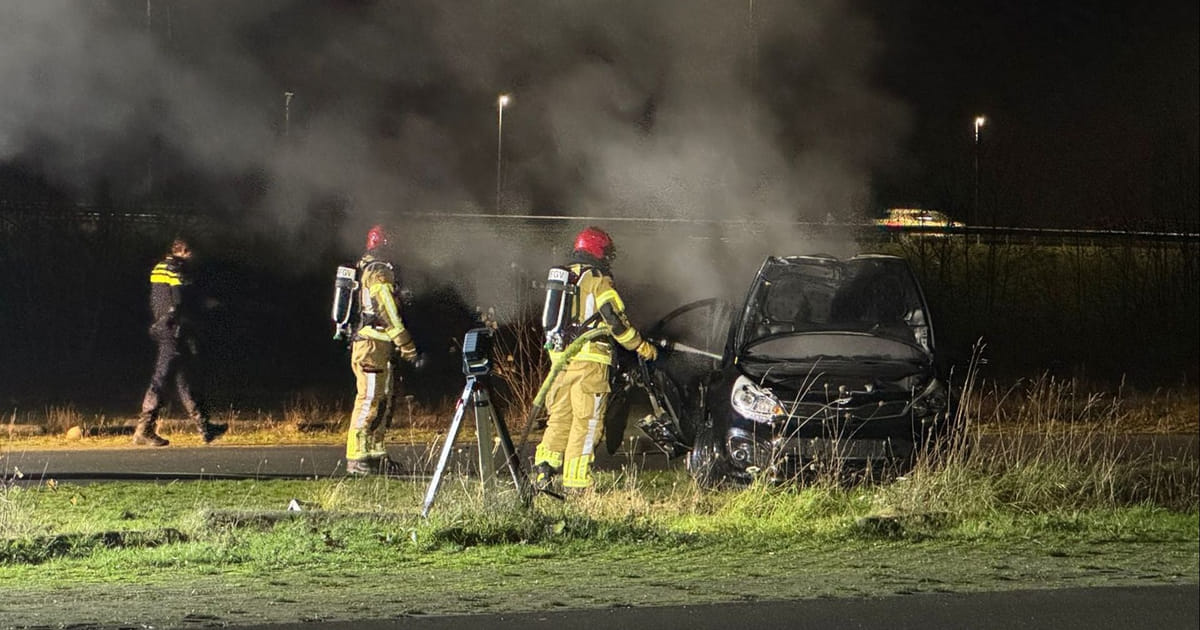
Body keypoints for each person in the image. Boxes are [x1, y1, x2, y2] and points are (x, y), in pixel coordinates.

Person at [533, 226, 658, 492]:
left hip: (560, 362)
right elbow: (615, 321)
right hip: (589, 363)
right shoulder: (598, 280)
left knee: (559, 417)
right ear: (598, 251)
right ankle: (577, 481)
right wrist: (641, 346)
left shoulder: (566, 277)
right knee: (587, 420)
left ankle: (544, 471)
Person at [133, 237, 227, 447]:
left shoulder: (159, 268)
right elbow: (179, 300)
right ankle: (144, 429)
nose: (193, 258)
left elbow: (158, 299)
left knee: (184, 379)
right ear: (183, 251)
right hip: (172, 330)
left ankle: (205, 427)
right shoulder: (176, 270)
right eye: (191, 253)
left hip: (164, 327)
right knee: (161, 377)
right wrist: (203, 307)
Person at [345, 224, 420, 475]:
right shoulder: (379, 272)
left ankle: (375, 454)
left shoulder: (369, 268)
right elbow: (387, 311)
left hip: (378, 345)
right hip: (371, 345)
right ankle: (357, 457)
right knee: (369, 399)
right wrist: (406, 343)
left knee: (383, 400)